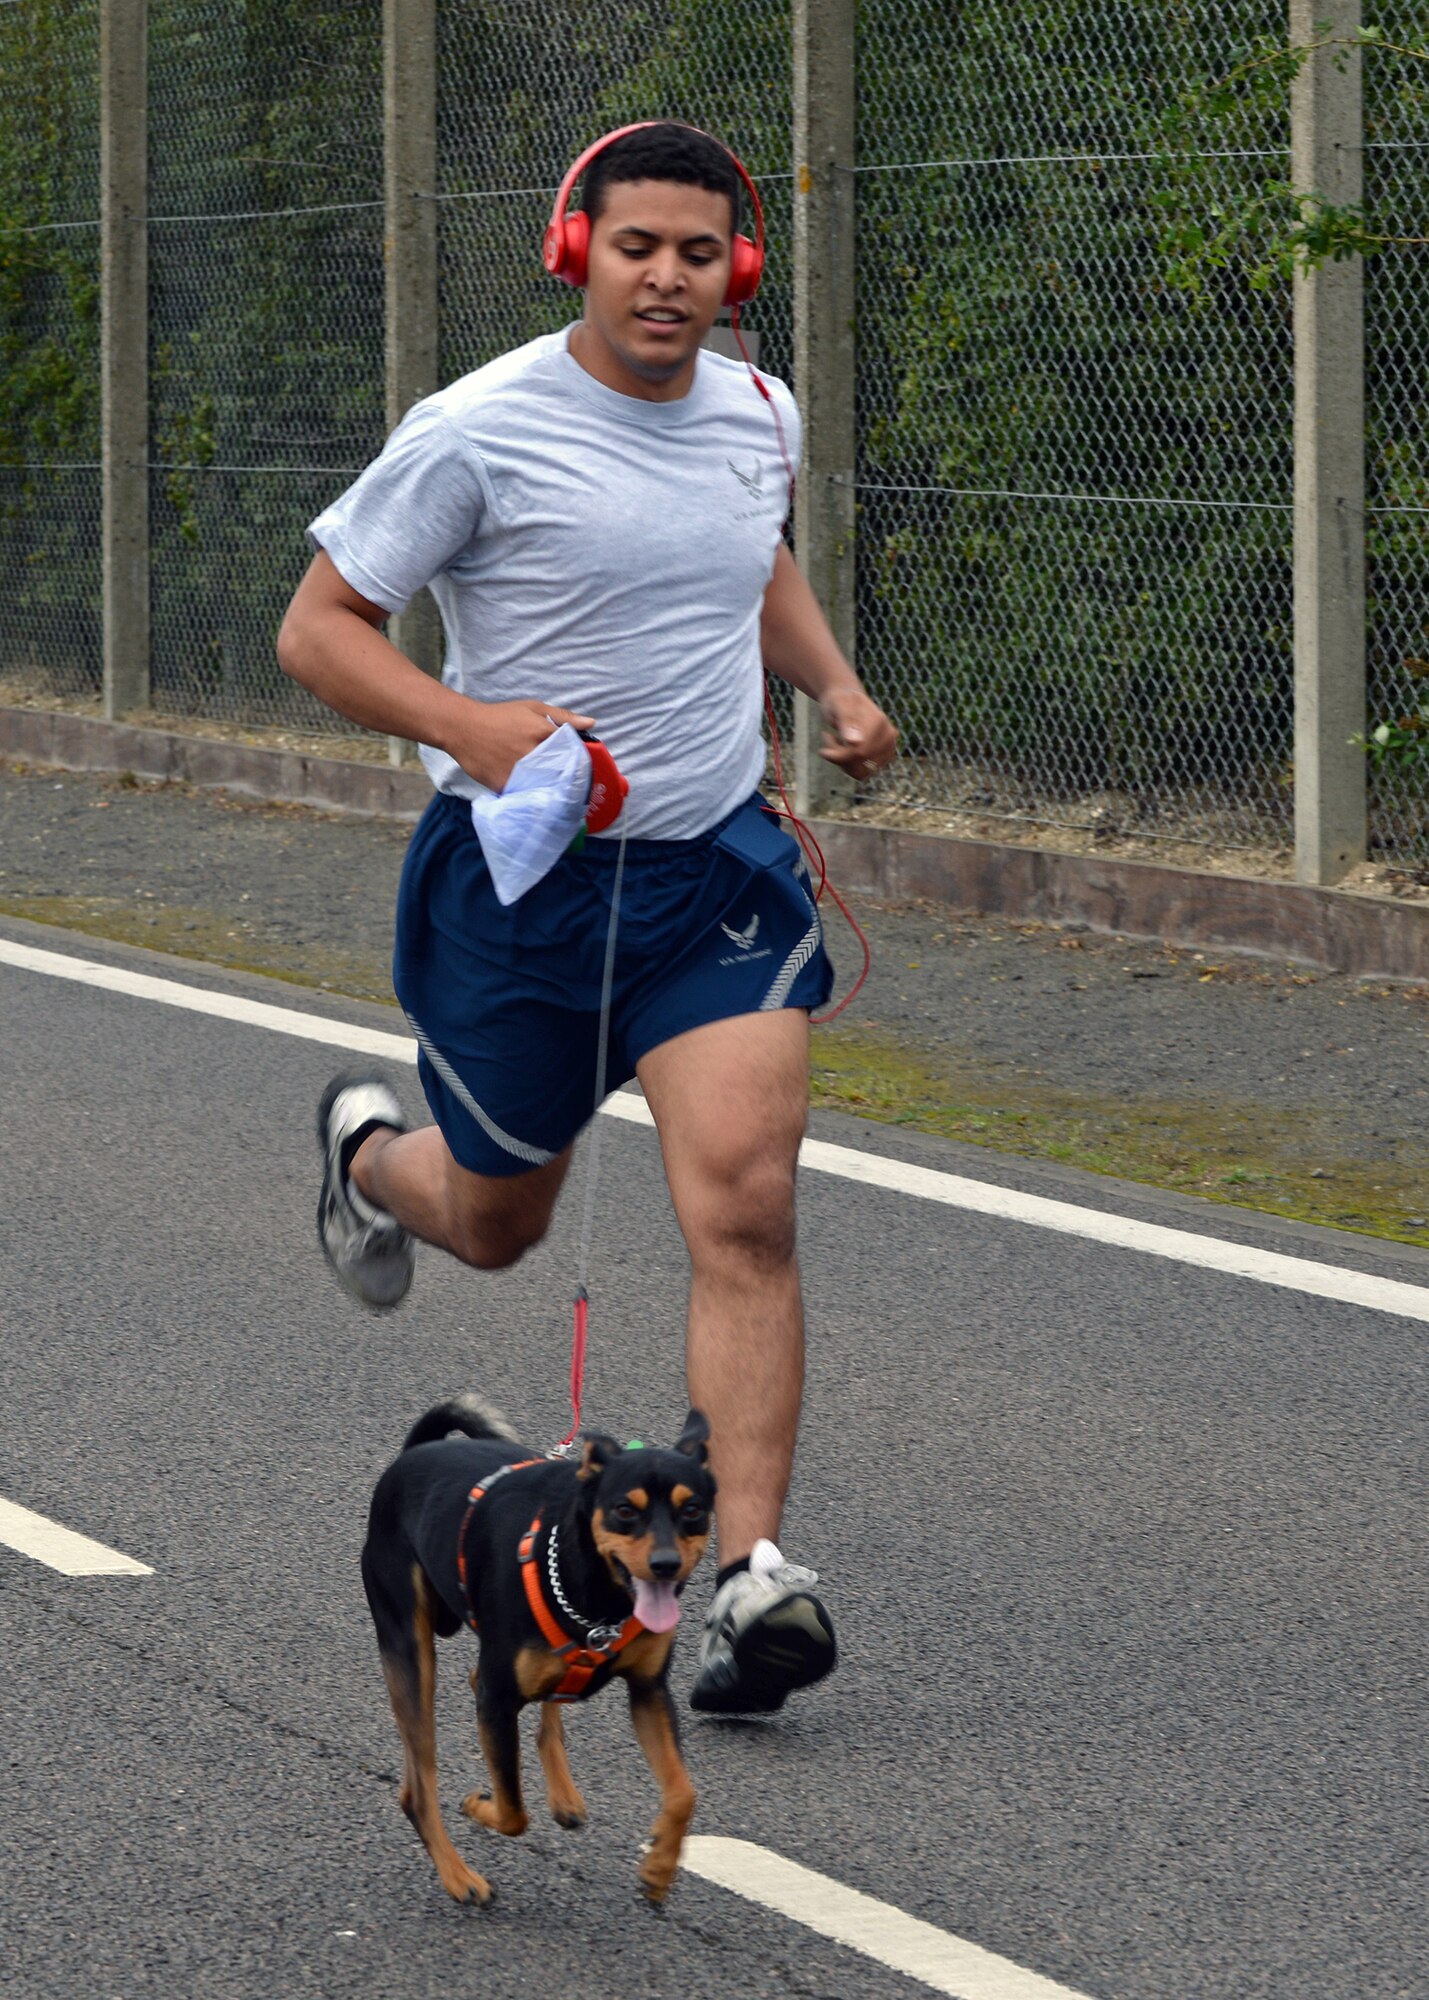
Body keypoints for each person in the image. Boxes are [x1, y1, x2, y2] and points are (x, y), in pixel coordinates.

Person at [276, 122, 897, 1714]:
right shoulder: (475, 430)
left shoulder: (757, 410)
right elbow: (322, 630)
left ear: (736, 270)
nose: (670, 279)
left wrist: (824, 680)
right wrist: (474, 729)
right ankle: (364, 1157)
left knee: (747, 1204)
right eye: (639, 248)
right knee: (498, 1225)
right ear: (577, 250)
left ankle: (744, 1581)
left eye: (701, 254)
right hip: (524, 892)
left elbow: (745, 552)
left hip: (712, 879)